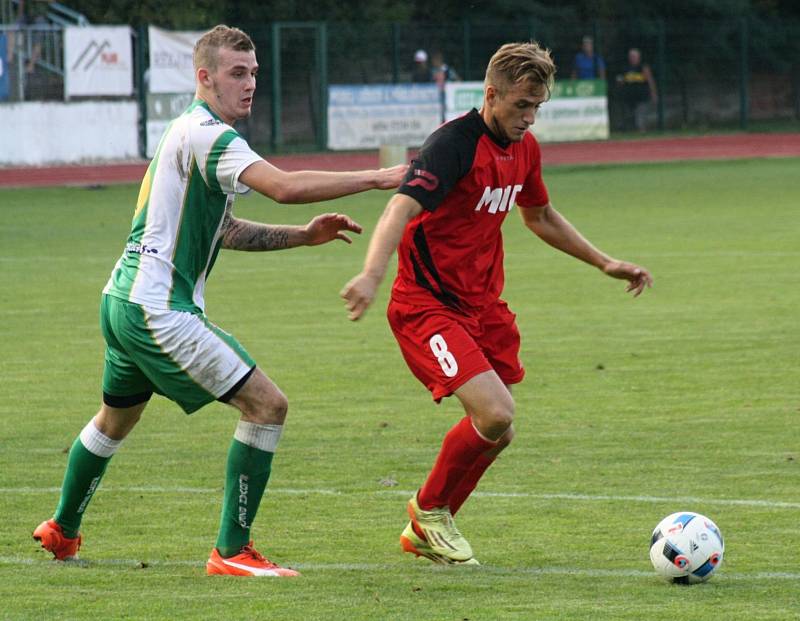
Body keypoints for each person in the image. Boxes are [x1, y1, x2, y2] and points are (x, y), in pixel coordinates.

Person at [32, 25, 406, 577]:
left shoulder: (185, 132)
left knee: (114, 420)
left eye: (254, 72)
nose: (250, 83)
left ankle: (61, 529)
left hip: (122, 300)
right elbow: (283, 185)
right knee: (267, 406)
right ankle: (231, 551)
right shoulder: (211, 136)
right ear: (204, 78)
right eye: (237, 73)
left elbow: (223, 230)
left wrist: (302, 236)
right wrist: (379, 177)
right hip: (156, 308)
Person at [340, 41, 652, 565]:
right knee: (496, 411)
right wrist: (371, 274)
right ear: (491, 95)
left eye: (536, 107)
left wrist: (604, 262)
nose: (529, 118)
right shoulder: (453, 145)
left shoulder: (524, 148)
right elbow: (399, 207)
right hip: (426, 305)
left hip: (483, 307)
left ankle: (428, 526)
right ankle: (430, 510)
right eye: (521, 106)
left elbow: (541, 217)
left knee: (499, 430)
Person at [616, 48, 658, 132]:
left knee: (640, 118)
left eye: (634, 56)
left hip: (642, 97)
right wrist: (619, 82)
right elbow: (620, 80)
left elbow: (650, 80)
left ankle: (643, 134)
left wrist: (653, 93)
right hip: (629, 98)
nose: (633, 58)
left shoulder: (643, 67)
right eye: (631, 56)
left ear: (639, 57)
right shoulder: (625, 68)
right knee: (630, 118)